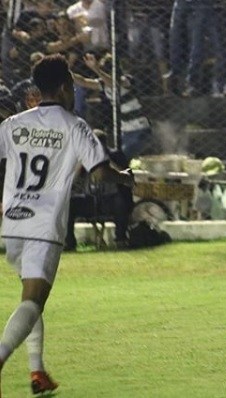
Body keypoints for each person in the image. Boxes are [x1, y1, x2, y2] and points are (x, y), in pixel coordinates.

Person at [0, 54, 134, 396]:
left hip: (13, 222)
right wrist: (127, 178)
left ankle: (36, 371)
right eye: (72, 84)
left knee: (29, 298)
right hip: (44, 226)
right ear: (63, 87)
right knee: (33, 301)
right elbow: (101, 172)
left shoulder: (13, 124)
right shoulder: (74, 126)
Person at [72, 52, 153, 160]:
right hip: (126, 132)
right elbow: (83, 81)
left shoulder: (125, 80)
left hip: (140, 131)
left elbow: (114, 84)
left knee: (120, 160)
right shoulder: (104, 84)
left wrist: (96, 69)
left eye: (104, 70)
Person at [65, 129, 134, 250]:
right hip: (90, 200)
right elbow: (72, 181)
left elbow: (129, 178)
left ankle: (120, 239)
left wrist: (107, 161)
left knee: (121, 201)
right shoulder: (84, 156)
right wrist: (81, 163)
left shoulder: (116, 155)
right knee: (69, 204)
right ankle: (69, 242)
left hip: (110, 199)